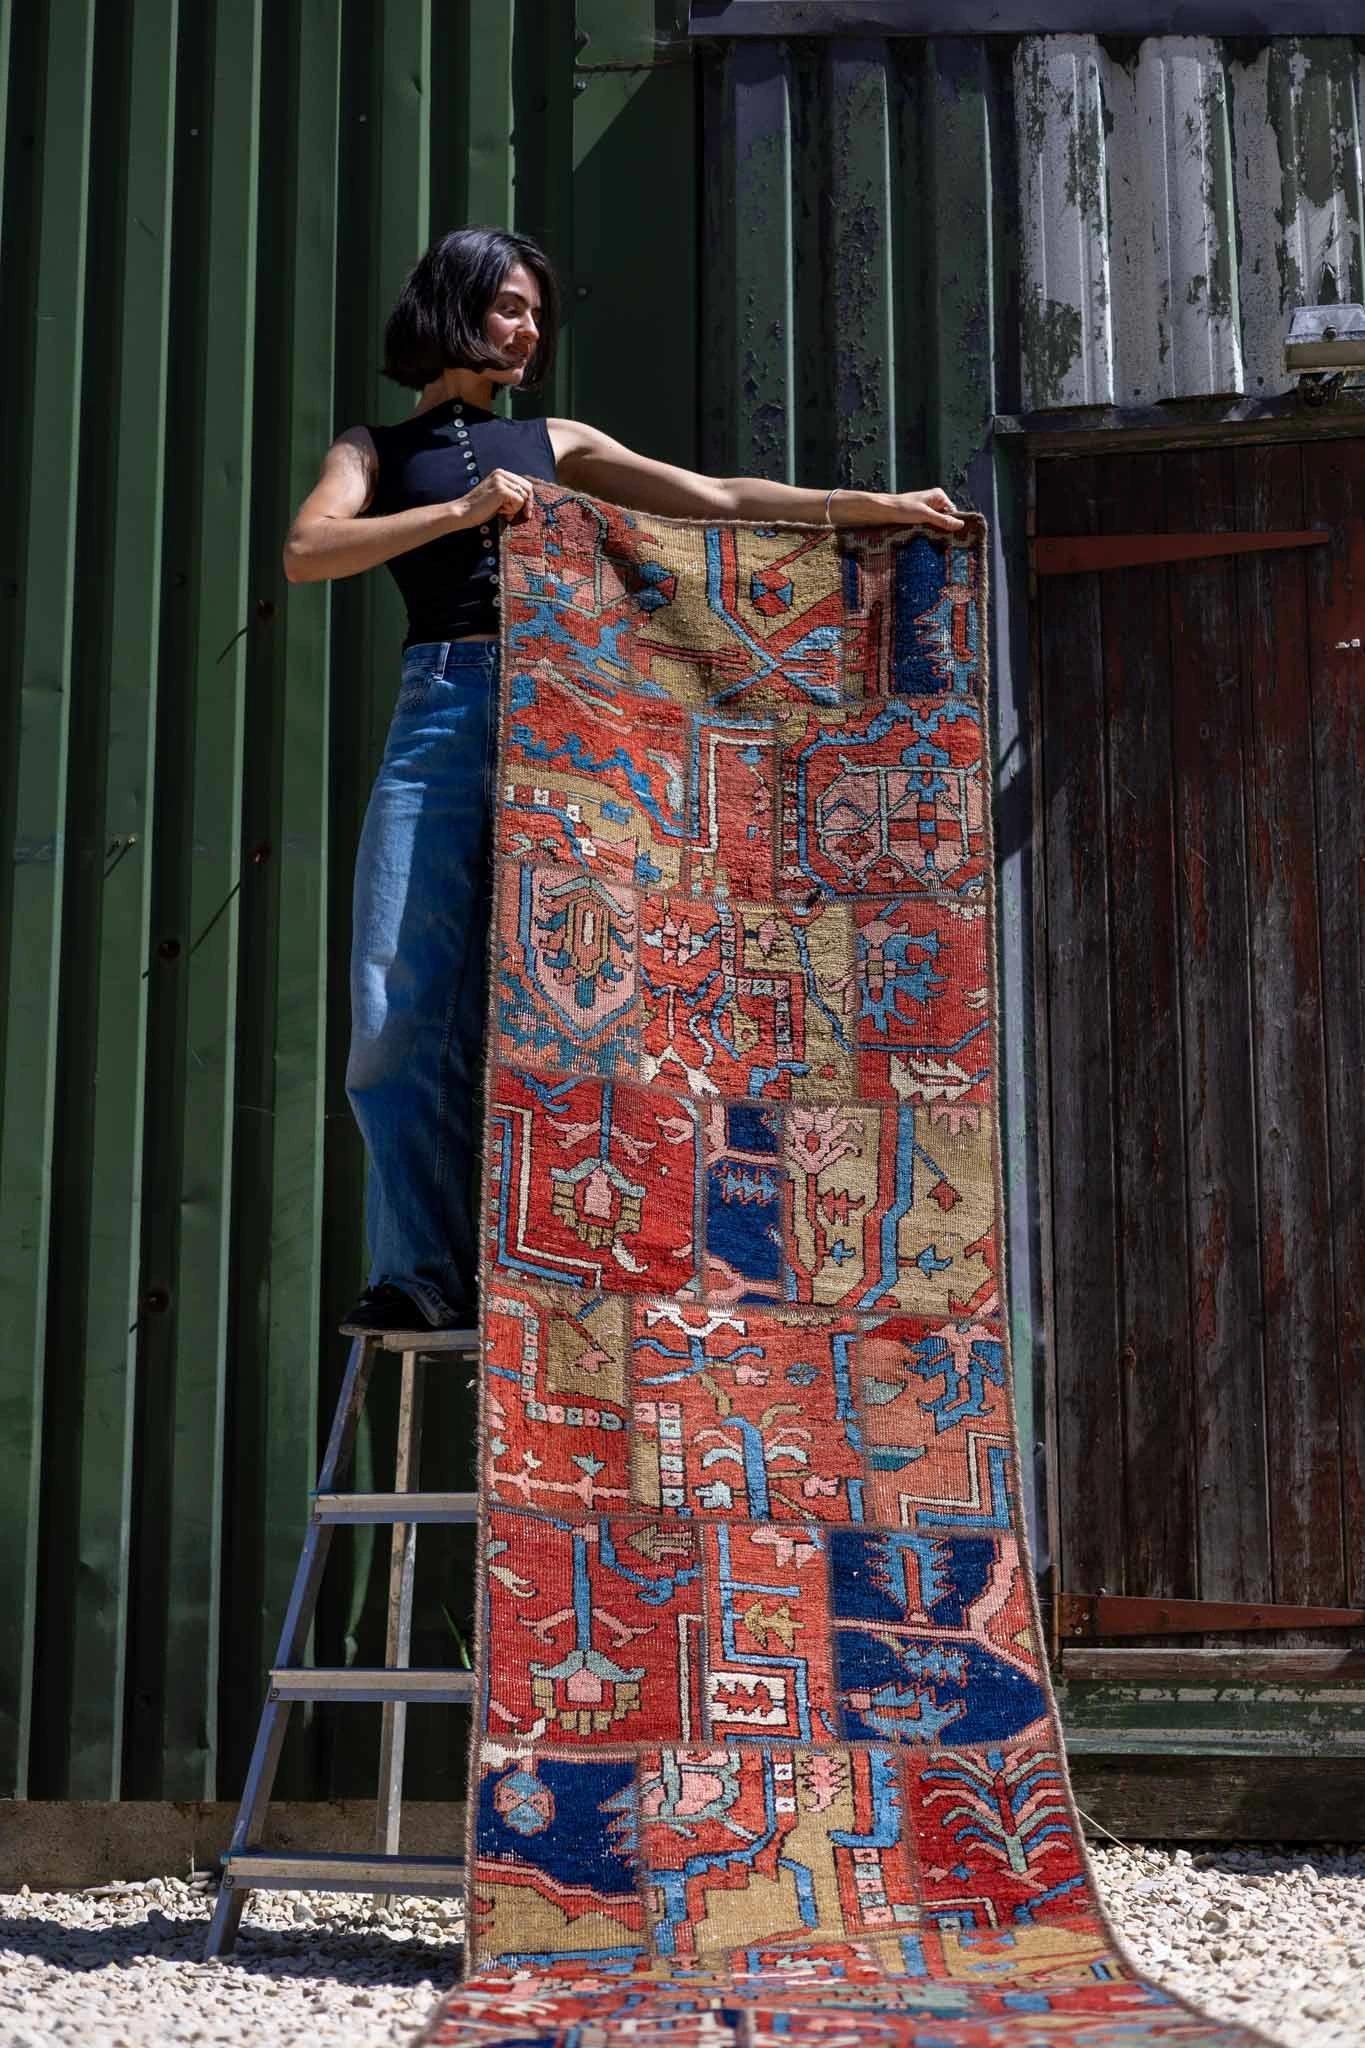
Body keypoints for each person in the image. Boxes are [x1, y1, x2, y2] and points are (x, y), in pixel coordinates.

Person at [283, 225, 966, 1335]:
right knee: (391, 1012)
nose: (529, 327)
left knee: (597, 1006)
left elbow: (715, 500)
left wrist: (864, 506)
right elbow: (309, 551)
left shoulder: (554, 436)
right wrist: (461, 515)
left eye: (537, 311)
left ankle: (576, 1269)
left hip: (575, 717)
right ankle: (421, 1271)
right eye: (509, 305)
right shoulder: (371, 448)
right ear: (454, 306)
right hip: (441, 709)